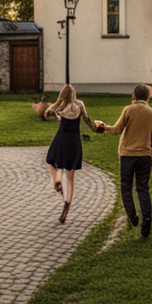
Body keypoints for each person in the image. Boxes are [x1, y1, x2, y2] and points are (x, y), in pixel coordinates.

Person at [95, 84, 152, 238]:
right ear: (148, 96)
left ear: (134, 95)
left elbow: (117, 129)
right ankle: (147, 221)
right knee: (143, 188)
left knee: (126, 187)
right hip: (145, 156)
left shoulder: (128, 110)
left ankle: (132, 216)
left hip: (127, 155)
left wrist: (102, 127)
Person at [44, 83, 98, 223]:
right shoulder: (80, 105)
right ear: (74, 94)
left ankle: (56, 181)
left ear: (62, 94)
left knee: (52, 162)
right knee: (71, 176)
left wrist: (56, 115)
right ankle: (66, 209)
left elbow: (47, 113)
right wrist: (96, 127)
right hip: (74, 142)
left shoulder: (60, 107)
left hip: (61, 140)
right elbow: (87, 120)